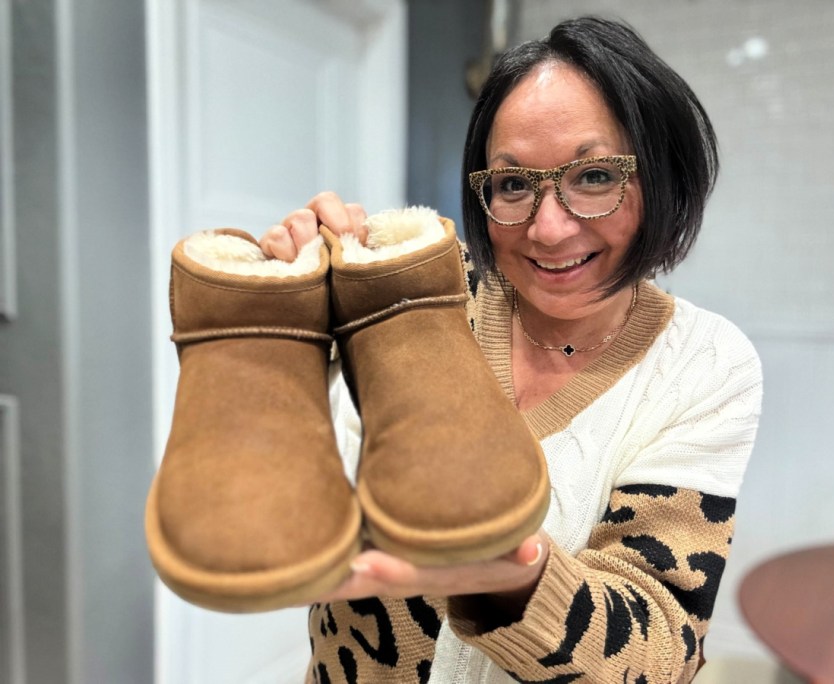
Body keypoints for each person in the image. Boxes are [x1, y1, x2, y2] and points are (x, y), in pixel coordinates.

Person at [260, 15, 762, 684]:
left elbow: (658, 653)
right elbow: (276, 474)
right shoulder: (422, 296)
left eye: (594, 176)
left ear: (662, 178)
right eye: (513, 184)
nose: (548, 228)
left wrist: (509, 575)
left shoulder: (705, 365)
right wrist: (281, 321)